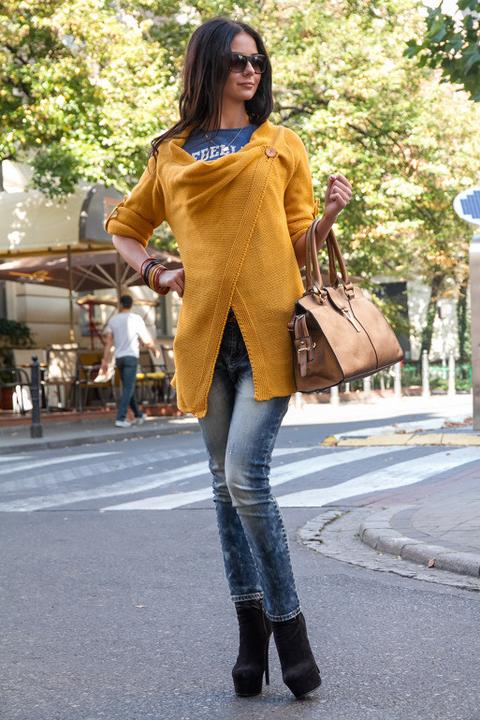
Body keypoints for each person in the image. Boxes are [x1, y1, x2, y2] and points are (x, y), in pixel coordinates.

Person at [104, 16, 352, 698]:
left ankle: (289, 629)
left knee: (245, 475)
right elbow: (125, 228)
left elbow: (299, 241)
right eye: (239, 60)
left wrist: (328, 218)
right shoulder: (171, 154)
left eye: (257, 61)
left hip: (271, 335)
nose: (252, 71)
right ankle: (250, 636)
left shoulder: (281, 145)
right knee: (222, 485)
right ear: (210, 66)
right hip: (205, 338)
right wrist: (157, 271)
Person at [101, 294, 157, 428]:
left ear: (120, 305)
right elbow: (145, 340)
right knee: (128, 387)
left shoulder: (113, 320)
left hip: (119, 358)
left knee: (128, 386)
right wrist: (154, 349)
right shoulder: (136, 319)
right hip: (131, 357)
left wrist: (105, 360)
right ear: (131, 305)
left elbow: (108, 343)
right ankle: (120, 418)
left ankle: (138, 415)